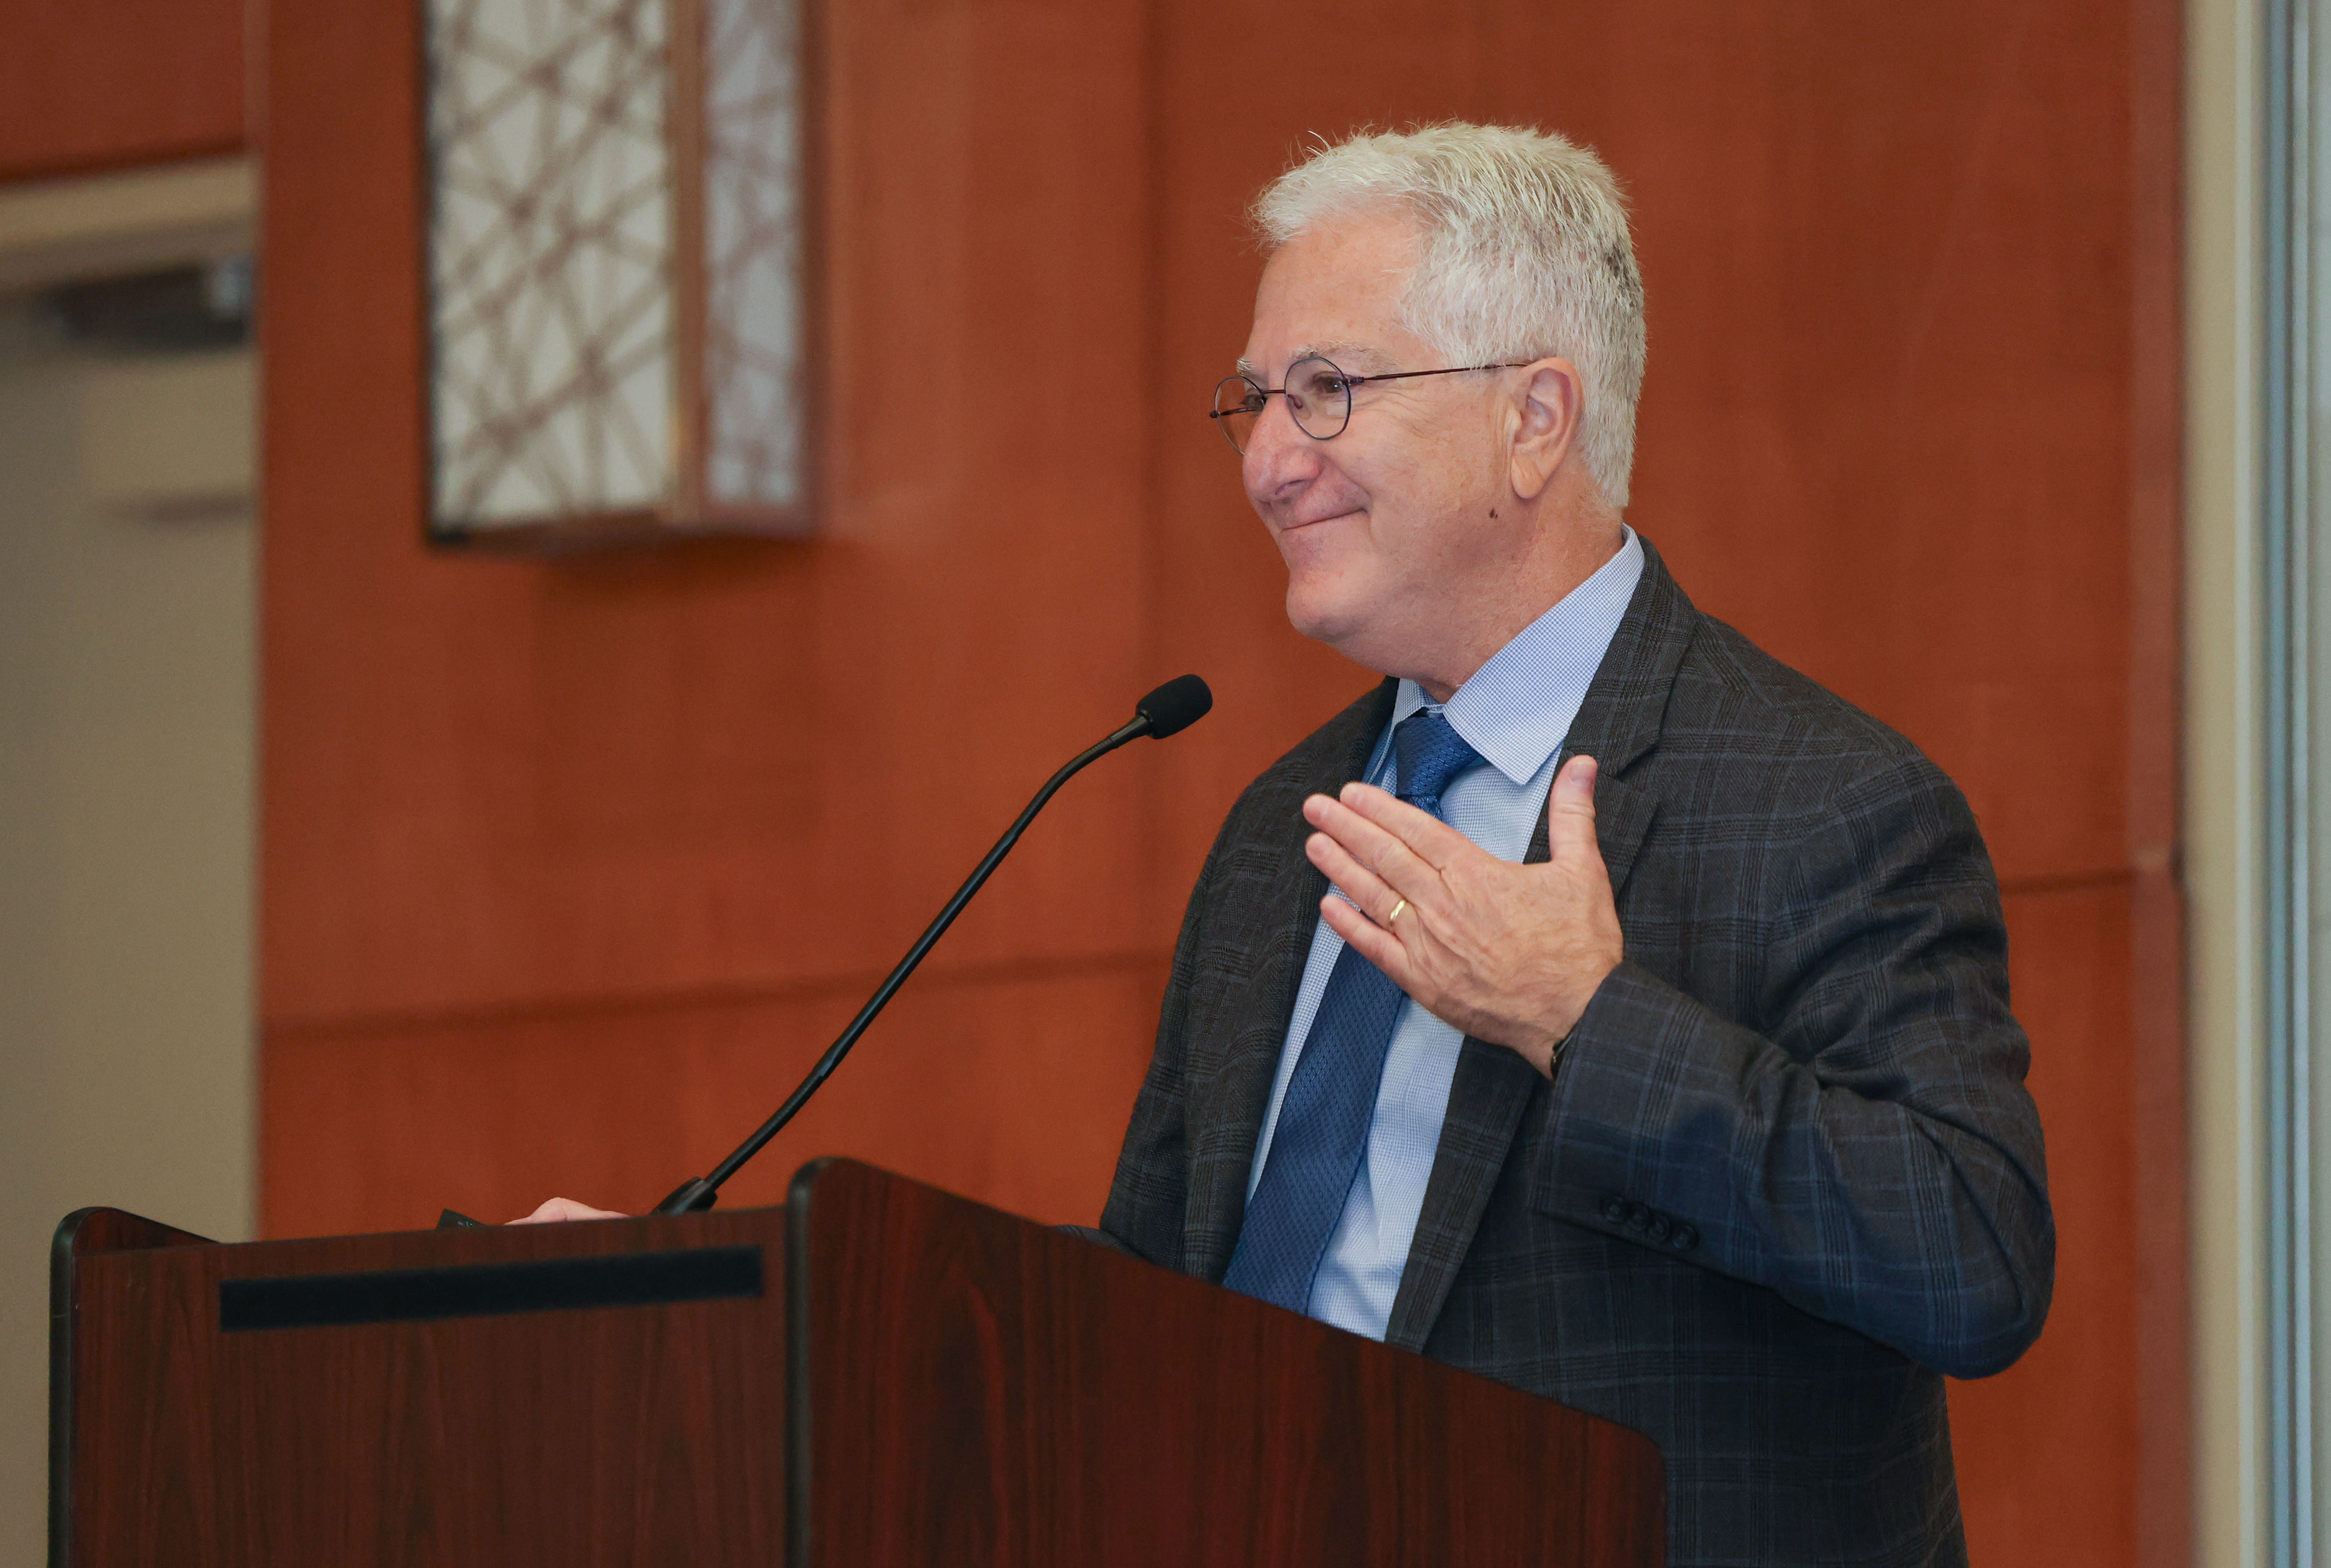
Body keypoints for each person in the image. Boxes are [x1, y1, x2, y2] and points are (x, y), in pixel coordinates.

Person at [1091, 123, 2051, 1567]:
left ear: (1536, 418)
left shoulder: (1820, 801)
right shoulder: (1280, 830)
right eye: (1257, 401)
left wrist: (1588, 1023)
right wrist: (801, 1294)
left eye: (1328, 391)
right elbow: (1149, 1300)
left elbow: (1973, 1259)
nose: (1272, 462)